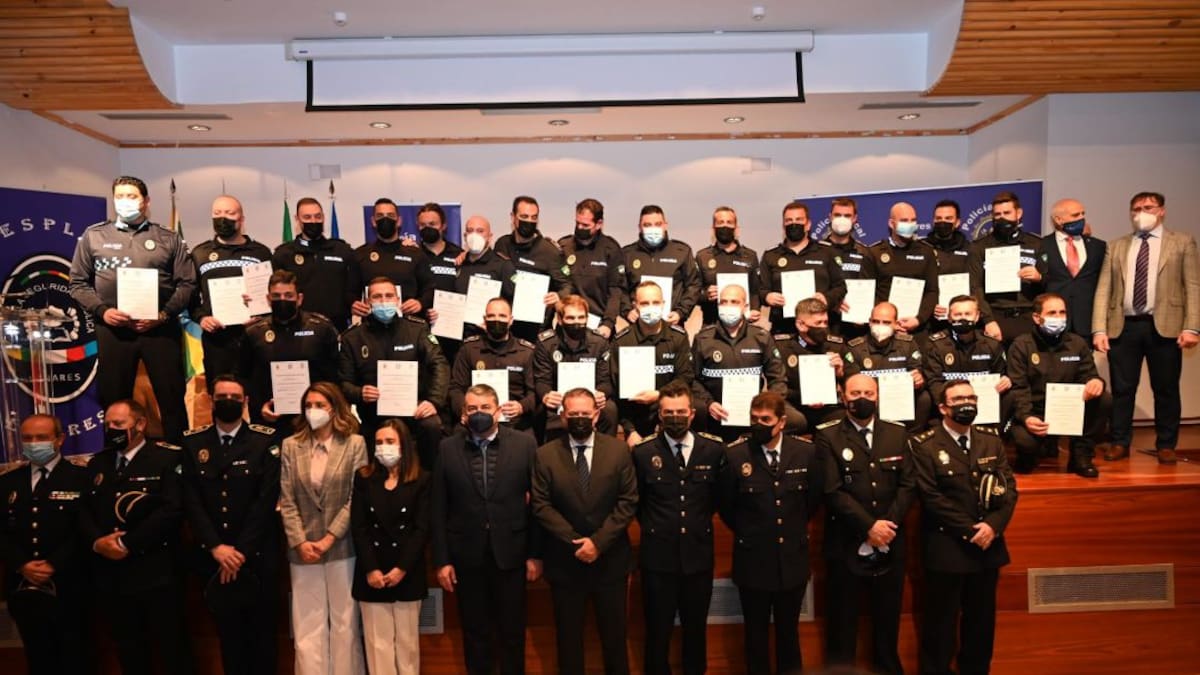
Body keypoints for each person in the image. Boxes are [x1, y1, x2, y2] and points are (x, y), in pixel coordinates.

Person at [68, 176, 197, 441]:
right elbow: (77, 284)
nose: (125, 202)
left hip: (160, 331)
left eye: (132, 196)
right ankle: (116, 464)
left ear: (146, 201)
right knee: (114, 400)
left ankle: (180, 462)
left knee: (172, 398)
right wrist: (103, 311)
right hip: (114, 331)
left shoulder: (168, 238)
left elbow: (187, 283)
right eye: (120, 196)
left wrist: (162, 315)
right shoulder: (94, 236)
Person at [432, 384, 543, 675]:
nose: (478, 413)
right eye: (472, 409)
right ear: (463, 415)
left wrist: (535, 554)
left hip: (512, 555)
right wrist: (442, 560)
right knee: (475, 632)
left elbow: (538, 505)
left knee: (512, 632)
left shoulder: (524, 444)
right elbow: (439, 508)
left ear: (497, 410)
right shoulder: (447, 448)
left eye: (484, 408)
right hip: (467, 557)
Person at [80, 399, 195, 674]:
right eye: (107, 424)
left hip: (157, 571)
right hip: (113, 575)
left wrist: (126, 543)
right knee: (129, 650)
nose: (112, 429)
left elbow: (172, 509)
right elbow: (84, 511)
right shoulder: (99, 462)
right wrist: (98, 542)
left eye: (119, 424)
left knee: (173, 650)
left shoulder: (168, 457)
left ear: (140, 424)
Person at [912, 380, 1017, 675]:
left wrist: (992, 527)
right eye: (958, 399)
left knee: (981, 626)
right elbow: (931, 497)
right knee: (940, 626)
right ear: (943, 407)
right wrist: (971, 530)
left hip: (987, 548)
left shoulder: (991, 441)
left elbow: (1008, 490)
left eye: (971, 397)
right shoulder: (924, 444)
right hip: (947, 548)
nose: (966, 403)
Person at [179, 375, 281, 675]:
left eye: (235, 397)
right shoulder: (192, 441)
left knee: (263, 639)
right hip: (213, 557)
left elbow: (265, 502)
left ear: (246, 402)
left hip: (257, 557)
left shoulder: (265, 440)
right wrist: (216, 547)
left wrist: (240, 553)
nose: (228, 401)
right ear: (211, 400)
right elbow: (191, 500)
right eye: (221, 396)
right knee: (228, 638)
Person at [531, 388, 638, 675]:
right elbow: (541, 506)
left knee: (615, 641)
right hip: (565, 562)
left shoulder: (618, 450)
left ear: (597, 415)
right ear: (563, 416)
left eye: (585, 414)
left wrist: (598, 543)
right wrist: (577, 543)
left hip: (611, 562)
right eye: (573, 414)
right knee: (568, 643)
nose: (579, 419)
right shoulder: (544, 455)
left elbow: (628, 502)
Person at [816, 374, 915, 674]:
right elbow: (832, 490)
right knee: (842, 620)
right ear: (843, 396)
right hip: (846, 541)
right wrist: (868, 527)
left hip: (890, 541)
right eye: (855, 392)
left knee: (887, 616)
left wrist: (887, 526)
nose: (863, 398)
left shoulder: (897, 433)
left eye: (869, 392)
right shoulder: (828, 435)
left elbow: (908, 485)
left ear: (878, 395)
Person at [1092, 191, 1200, 464]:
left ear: (1161, 210)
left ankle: (1166, 445)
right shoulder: (1116, 246)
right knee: (1122, 389)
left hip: (1165, 326)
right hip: (1123, 326)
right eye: (1136, 208)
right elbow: (1104, 289)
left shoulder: (1182, 242)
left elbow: (1193, 287)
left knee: (1165, 388)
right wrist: (1099, 329)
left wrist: (1192, 327)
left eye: (1148, 207)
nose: (1142, 212)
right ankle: (1119, 442)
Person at [719, 391, 821, 675]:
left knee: (789, 636)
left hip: (792, 560)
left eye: (766, 419)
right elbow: (727, 507)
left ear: (782, 422)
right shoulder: (736, 454)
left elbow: (811, 502)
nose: (758, 424)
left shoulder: (806, 453)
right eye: (754, 419)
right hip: (753, 560)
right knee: (755, 636)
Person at [630, 383, 726, 675]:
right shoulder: (644, 453)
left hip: (698, 557)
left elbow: (717, 500)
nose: (675, 417)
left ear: (692, 414)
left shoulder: (713, 449)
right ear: (659, 415)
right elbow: (637, 504)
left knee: (696, 632)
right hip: (658, 559)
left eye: (680, 412)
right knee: (657, 634)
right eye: (668, 412)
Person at [279, 382, 368, 675]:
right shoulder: (292, 445)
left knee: (345, 624)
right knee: (307, 626)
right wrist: (301, 541)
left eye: (320, 405)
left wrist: (330, 537)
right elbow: (287, 499)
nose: (313, 411)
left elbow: (357, 497)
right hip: (303, 550)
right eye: (309, 405)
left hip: (342, 546)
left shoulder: (355, 443)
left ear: (335, 408)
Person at [0, 414, 90, 675]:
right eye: (27, 438)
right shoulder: (7, 482)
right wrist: (22, 565)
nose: (34, 443)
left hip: (70, 585)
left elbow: (84, 531)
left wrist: (53, 564)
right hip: (24, 587)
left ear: (59, 440)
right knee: (38, 659)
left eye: (41, 437)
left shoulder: (81, 478)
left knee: (75, 658)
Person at [338, 277, 449, 467]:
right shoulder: (352, 338)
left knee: (432, 425)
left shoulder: (417, 329)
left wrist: (434, 401)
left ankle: (429, 480)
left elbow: (439, 363)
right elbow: (343, 383)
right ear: (368, 302)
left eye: (389, 296)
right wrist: (359, 393)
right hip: (373, 413)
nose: (384, 301)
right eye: (377, 297)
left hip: (412, 410)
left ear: (398, 300)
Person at [351, 418, 430, 675]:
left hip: (406, 572)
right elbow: (359, 527)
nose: (384, 447)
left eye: (390, 442)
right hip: (372, 573)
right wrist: (371, 569)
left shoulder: (421, 479)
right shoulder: (364, 478)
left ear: (404, 445)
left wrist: (401, 568)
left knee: (407, 646)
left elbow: (421, 529)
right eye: (379, 442)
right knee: (378, 646)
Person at [1008, 293, 1110, 477]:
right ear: (1037, 318)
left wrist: (1095, 382)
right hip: (1035, 412)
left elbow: (1089, 375)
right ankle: (1029, 454)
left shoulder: (1077, 343)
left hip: (1069, 409)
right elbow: (1018, 387)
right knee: (1025, 443)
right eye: (1052, 313)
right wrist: (1026, 417)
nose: (1058, 318)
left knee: (1103, 399)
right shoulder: (1021, 345)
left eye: (1062, 313)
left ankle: (1081, 457)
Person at [241, 270, 341, 436]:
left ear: (299, 299)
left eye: (288, 295)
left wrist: (325, 407)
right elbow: (243, 376)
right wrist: (260, 407)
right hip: (269, 419)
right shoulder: (254, 333)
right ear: (268, 299)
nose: (282, 300)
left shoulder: (321, 329)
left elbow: (335, 375)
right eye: (276, 296)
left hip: (314, 420)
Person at [190, 195, 274, 389]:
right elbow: (191, 298)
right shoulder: (199, 254)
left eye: (230, 213)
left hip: (254, 335)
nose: (223, 218)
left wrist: (261, 310)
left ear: (241, 218)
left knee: (258, 394)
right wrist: (202, 318)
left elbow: (274, 294)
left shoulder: (261, 253)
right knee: (221, 396)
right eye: (217, 213)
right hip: (217, 339)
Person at [691, 284, 788, 441]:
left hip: (754, 415)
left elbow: (778, 378)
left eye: (734, 302)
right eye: (724, 302)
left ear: (745, 306)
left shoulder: (761, 337)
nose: (728, 306)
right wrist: (709, 403)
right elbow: (692, 379)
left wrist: (768, 406)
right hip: (715, 413)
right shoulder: (703, 339)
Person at [611, 280, 695, 446]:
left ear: (663, 304)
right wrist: (630, 431)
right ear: (635, 306)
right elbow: (617, 389)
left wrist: (660, 394)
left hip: (670, 411)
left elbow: (685, 377)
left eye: (655, 302)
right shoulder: (623, 341)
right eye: (645, 303)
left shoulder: (678, 337)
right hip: (636, 414)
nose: (651, 307)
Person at [532, 295, 618, 440]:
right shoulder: (545, 343)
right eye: (571, 318)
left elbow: (605, 380)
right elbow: (542, 380)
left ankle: (605, 451)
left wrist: (602, 393)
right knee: (540, 409)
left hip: (590, 398)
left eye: (581, 318)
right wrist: (546, 395)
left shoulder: (600, 342)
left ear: (587, 318)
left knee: (610, 409)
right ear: (560, 320)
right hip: (559, 400)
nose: (576, 322)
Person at [968, 191, 1045, 345]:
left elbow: (1052, 283)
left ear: (1019, 213)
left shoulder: (1037, 243)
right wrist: (988, 320)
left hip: (1028, 317)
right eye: (997, 214)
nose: (1002, 218)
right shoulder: (978, 247)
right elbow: (975, 287)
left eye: (1007, 212)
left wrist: (1039, 278)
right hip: (995, 317)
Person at [448, 297, 537, 431]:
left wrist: (521, 406)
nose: (497, 320)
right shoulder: (469, 349)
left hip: (514, 422)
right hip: (475, 419)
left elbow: (534, 392)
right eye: (491, 316)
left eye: (502, 316)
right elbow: (456, 388)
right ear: (485, 319)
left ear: (511, 320)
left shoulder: (526, 352)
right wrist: (464, 411)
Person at [923, 295, 1014, 425]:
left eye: (968, 314)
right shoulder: (935, 345)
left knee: (1010, 396)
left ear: (977, 316)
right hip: (950, 407)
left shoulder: (991, 344)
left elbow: (1001, 374)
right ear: (949, 317)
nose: (963, 318)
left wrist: (1006, 379)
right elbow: (934, 382)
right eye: (957, 314)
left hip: (984, 405)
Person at [760, 200, 847, 335]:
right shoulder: (770, 255)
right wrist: (767, 296)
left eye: (799, 220)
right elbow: (760, 289)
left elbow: (840, 287)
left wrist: (826, 298)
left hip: (819, 329)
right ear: (783, 225)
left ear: (808, 225)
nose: (794, 224)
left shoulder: (826, 252)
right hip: (783, 328)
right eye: (789, 220)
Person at [493, 195, 573, 342]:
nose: (529, 221)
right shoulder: (501, 244)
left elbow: (567, 285)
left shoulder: (550, 251)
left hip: (536, 330)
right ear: (513, 217)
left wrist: (559, 296)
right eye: (524, 216)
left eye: (533, 217)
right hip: (504, 329)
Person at [271, 197, 359, 329]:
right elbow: (275, 292)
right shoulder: (283, 254)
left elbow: (353, 289)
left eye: (317, 216)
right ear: (297, 219)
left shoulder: (342, 251)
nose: (313, 221)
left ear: (323, 217)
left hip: (337, 326)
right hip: (297, 328)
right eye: (307, 217)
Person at [843, 301, 932, 431]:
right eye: (876, 321)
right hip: (869, 400)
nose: (880, 326)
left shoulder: (908, 344)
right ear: (869, 322)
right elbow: (851, 382)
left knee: (924, 398)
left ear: (896, 324)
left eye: (886, 322)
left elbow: (917, 371)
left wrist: (918, 380)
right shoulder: (854, 348)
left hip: (899, 399)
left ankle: (911, 436)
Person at [441, 215, 517, 365]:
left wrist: (497, 324)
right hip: (459, 343)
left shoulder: (503, 266)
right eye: (470, 231)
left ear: (490, 236)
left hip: (490, 341)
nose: (474, 235)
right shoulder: (458, 264)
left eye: (480, 231)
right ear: (464, 236)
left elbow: (514, 301)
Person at [352, 198, 436, 319]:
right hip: (372, 328)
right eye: (380, 216)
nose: (385, 219)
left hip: (409, 325)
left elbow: (430, 288)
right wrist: (353, 304)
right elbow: (350, 292)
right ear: (373, 221)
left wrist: (420, 303)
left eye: (390, 215)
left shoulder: (416, 254)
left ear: (399, 221)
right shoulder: (360, 254)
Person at [773, 297, 847, 434]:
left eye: (825, 322)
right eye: (818, 323)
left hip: (827, 406)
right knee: (792, 419)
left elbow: (850, 382)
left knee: (845, 419)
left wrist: (840, 373)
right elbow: (778, 385)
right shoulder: (782, 347)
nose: (823, 327)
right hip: (794, 404)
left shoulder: (837, 346)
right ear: (801, 325)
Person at [620, 204, 702, 327]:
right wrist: (627, 311)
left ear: (665, 225)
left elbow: (693, 285)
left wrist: (681, 312)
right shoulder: (627, 254)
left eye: (658, 224)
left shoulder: (681, 252)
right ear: (639, 227)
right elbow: (619, 288)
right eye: (647, 225)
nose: (653, 229)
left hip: (672, 326)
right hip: (638, 327)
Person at [864, 201, 939, 334]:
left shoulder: (926, 252)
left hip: (917, 328)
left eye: (913, 220)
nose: (909, 224)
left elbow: (932, 291)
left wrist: (918, 319)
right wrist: (886, 320)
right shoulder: (874, 253)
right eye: (904, 220)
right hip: (884, 328)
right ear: (891, 223)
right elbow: (868, 293)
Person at [558, 198, 626, 339]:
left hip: (600, 327)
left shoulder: (611, 249)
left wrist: (608, 324)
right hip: (567, 324)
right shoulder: (564, 247)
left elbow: (615, 291)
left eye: (585, 225)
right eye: (577, 223)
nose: (580, 228)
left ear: (599, 224)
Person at [1041, 198, 1106, 338]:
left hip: (1087, 323)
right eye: (1075, 215)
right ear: (1058, 219)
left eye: (1083, 213)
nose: (1082, 218)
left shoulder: (1098, 247)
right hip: (1053, 323)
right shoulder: (1041, 246)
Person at [695, 205, 762, 326]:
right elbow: (694, 293)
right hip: (712, 325)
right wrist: (706, 295)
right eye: (720, 222)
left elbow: (755, 291)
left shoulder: (750, 256)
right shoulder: (702, 256)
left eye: (729, 222)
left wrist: (755, 309)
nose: (725, 226)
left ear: (736, 229)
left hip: (743, 326)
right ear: (713, 228)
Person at [821, 197, 874, 337]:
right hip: (824, 325)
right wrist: (833, 304)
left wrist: (862, 312)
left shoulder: (865, 252)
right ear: (830, 217)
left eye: (847, 215)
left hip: (856, 326)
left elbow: (871, 286)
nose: (842, 219)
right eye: (837, 215)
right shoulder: (817, 251)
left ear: (855, 218)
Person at [923, 199, 973, 333]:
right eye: (938, 218)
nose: (943, 222)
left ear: (957, 222)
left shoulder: (971, 249)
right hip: (931, 321)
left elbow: (976, 284)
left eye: (948, 218)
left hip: (964, 318)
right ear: (933, 221)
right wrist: (929, 306)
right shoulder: (922, 248)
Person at [411, 202, 464, 299]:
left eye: (432, 224)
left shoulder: (458, 254)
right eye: (423, 225)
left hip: (450, 311)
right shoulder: (413, 254)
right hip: (420, 313)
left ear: (443, 226)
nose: (427, 228)